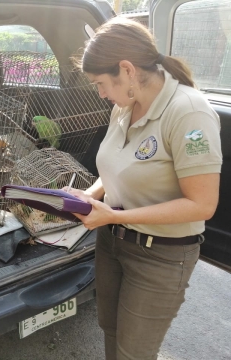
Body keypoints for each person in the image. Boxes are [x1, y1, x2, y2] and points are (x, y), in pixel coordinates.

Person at [64, 17, 222, 360]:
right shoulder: (124, 107)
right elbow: (119, 168)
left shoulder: (189, 112)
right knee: (111, 333)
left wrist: (113, 216)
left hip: (160, 255)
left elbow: (202, 204)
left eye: (101, 83)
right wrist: (91, 196)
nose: (101, 93)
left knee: (133, 353)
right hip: (113, 243)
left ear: (127, 69)